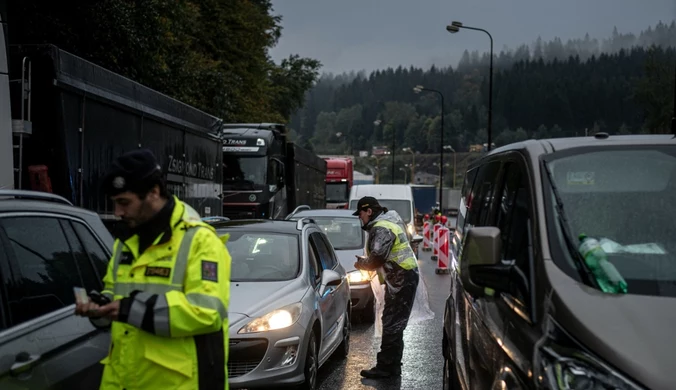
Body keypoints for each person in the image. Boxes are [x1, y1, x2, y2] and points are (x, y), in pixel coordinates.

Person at [74, 149, 231, 390]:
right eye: (115, 204)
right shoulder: (126, 244)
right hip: (122, 381)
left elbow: (207, 312)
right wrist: (102, 309)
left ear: (154, 193)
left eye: (124, 203)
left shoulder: (200, 242)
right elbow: (115, 296)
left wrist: (129, 309)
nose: (117, 212)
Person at [352, 196, 419, 379]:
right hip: (403, 276)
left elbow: (377, 257)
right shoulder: (388, 222)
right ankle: (393, 363)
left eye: (361, 214)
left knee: (391, 321)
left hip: (401, 278)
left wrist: (362, 264)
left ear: (369, 211)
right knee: (395, 321)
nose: (360, 218)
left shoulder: (381, 227)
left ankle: (386, 366)